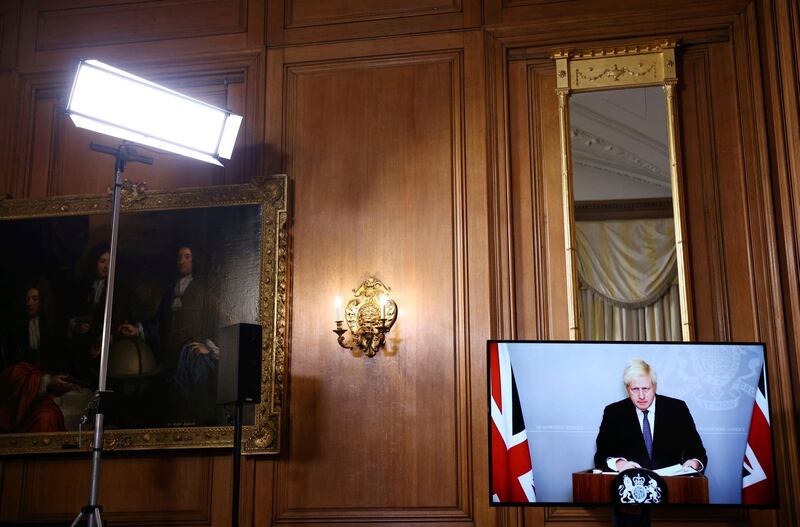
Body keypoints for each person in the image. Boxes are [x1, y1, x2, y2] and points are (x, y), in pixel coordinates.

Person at [594, 358, 707, 472]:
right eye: (635, 389)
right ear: (627, 389)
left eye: (646, 388)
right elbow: (601, 456)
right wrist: (619, 464)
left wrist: (694, 463)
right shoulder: (614, 413)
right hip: (630, 484)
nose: (641, 396)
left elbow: (698, 452)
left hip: (671, 485)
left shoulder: (677, 409)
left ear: (655, 386)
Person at [154, 245, 219, 425]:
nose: (182, 261)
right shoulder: (169, 291)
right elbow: (158, 322)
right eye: (179, 257)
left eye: (187, 256)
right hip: (169, 354)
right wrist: (138, 330)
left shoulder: (204, 289)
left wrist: (210, 347)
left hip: (192, 351)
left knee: (194, 396)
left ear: (195, 259)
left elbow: (217, 320)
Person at [0, 285, 77, 432]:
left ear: (42, 302)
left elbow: (59, 361)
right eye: (27, 299)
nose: (29, 303)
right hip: (25, 389)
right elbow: (15, 369)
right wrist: (43, 381)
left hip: (50, 386)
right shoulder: (16, 333)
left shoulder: (52, 330)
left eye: (34, 299)